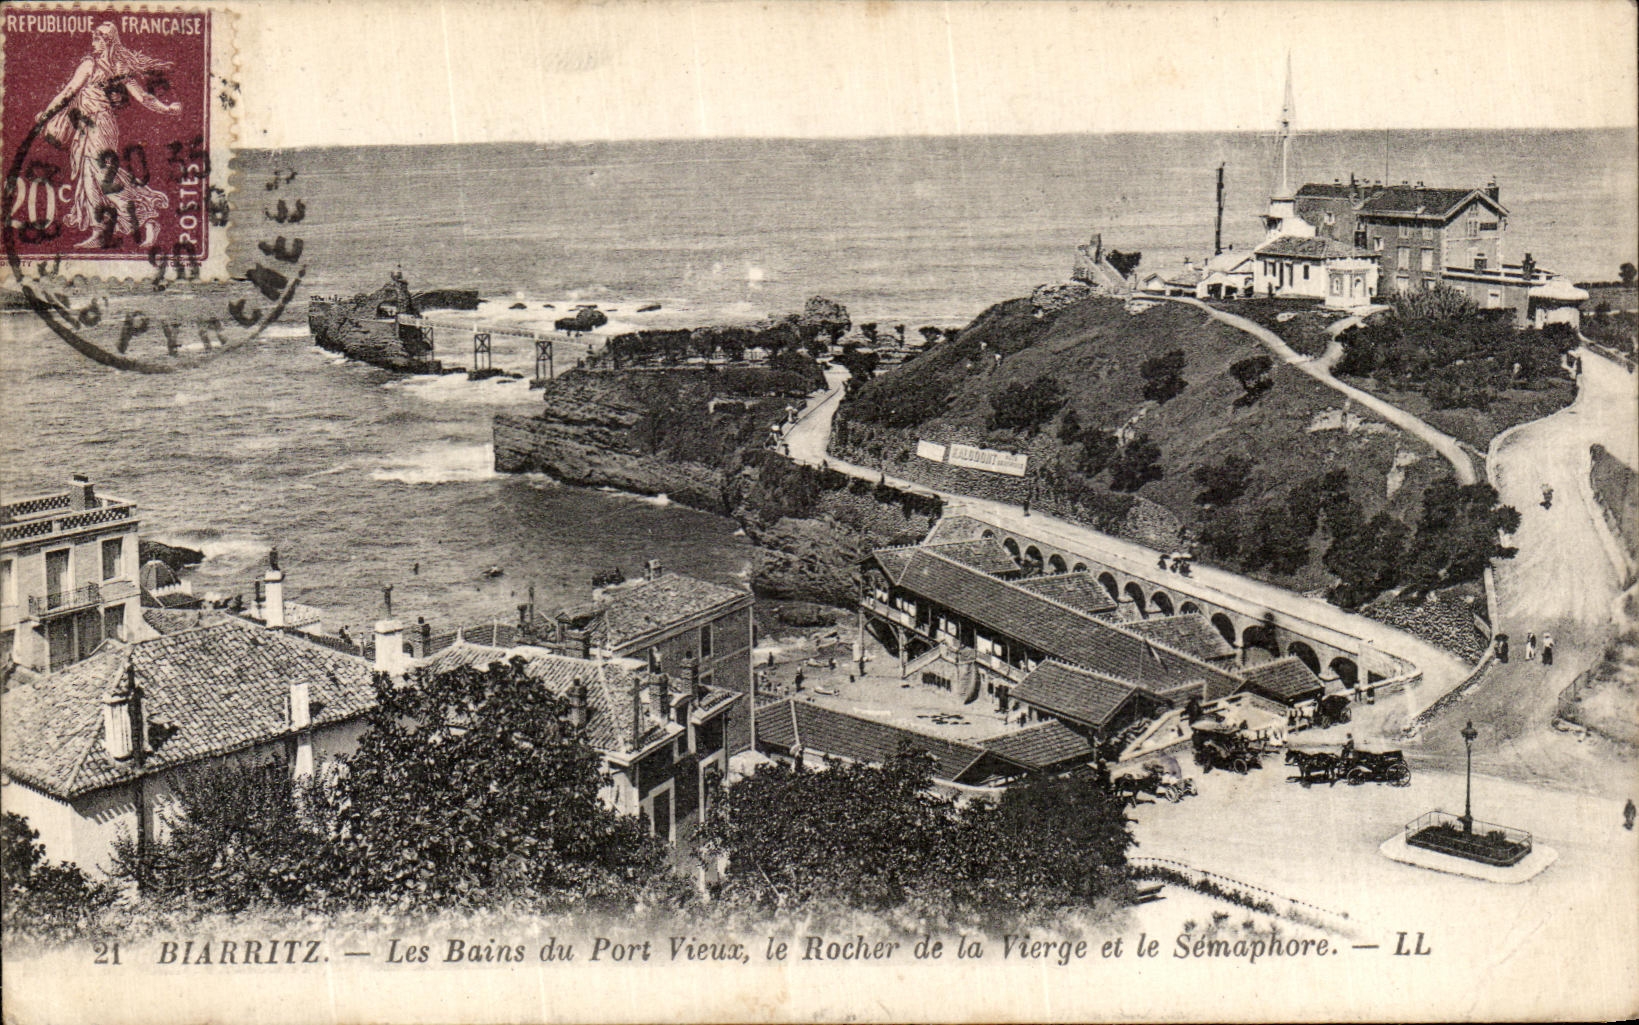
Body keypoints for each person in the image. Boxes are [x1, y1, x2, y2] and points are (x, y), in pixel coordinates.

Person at [36, 23, 183, 249]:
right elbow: (144, 98)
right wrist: (167, 109)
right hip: (88, 127)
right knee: (88, 179)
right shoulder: (115, 65)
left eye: (96, 39)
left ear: (106, 41)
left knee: (105, 178)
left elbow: (68, 92)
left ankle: (147, 220)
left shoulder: (92, 64)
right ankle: (99, 231)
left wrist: (46, 113)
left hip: (99, 126)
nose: (92, 42)